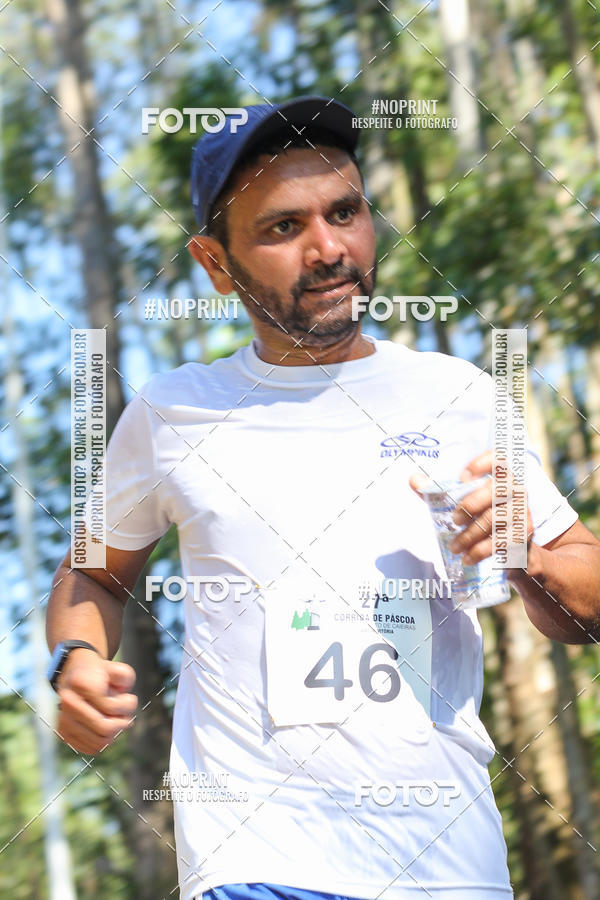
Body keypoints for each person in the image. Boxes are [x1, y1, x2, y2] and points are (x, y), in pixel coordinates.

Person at [46, 96, 600, 900]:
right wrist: (78, 659)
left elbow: (584, 608)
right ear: (215, 263)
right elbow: (93, 573)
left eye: (345, 212)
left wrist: (532, 557)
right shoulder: (172, 413)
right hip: (255, 866)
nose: (329, 248)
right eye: (282, 228)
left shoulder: (458, 395)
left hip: (449, 865)